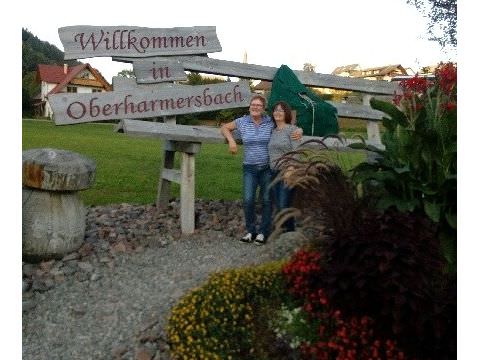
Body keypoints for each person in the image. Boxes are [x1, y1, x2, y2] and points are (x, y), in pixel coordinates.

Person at [221, 94, 302, 245]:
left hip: (266, 169)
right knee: (248, 200)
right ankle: (251, 231)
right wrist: (232, 141)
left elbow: (287, 125)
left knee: (266, 200)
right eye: (253, 104)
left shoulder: (269, 122)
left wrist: (299, 130)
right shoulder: (242, 121)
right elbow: (225, 127)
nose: (255, 107)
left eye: (259, 105)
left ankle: (264, 233)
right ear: (249, 106)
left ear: (264, 109)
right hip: (249, 168)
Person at [268, 101, 301, 233]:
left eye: (281, 110)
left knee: (284, 205)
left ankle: (290, 233)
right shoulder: (272, 131)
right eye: (276, 110)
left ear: (286, 113)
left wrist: (291, 169)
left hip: (287, 172)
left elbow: (296, 151)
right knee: (281, 205)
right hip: (273, 173)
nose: (277, 112)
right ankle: (286, 234)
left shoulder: (292, 130)